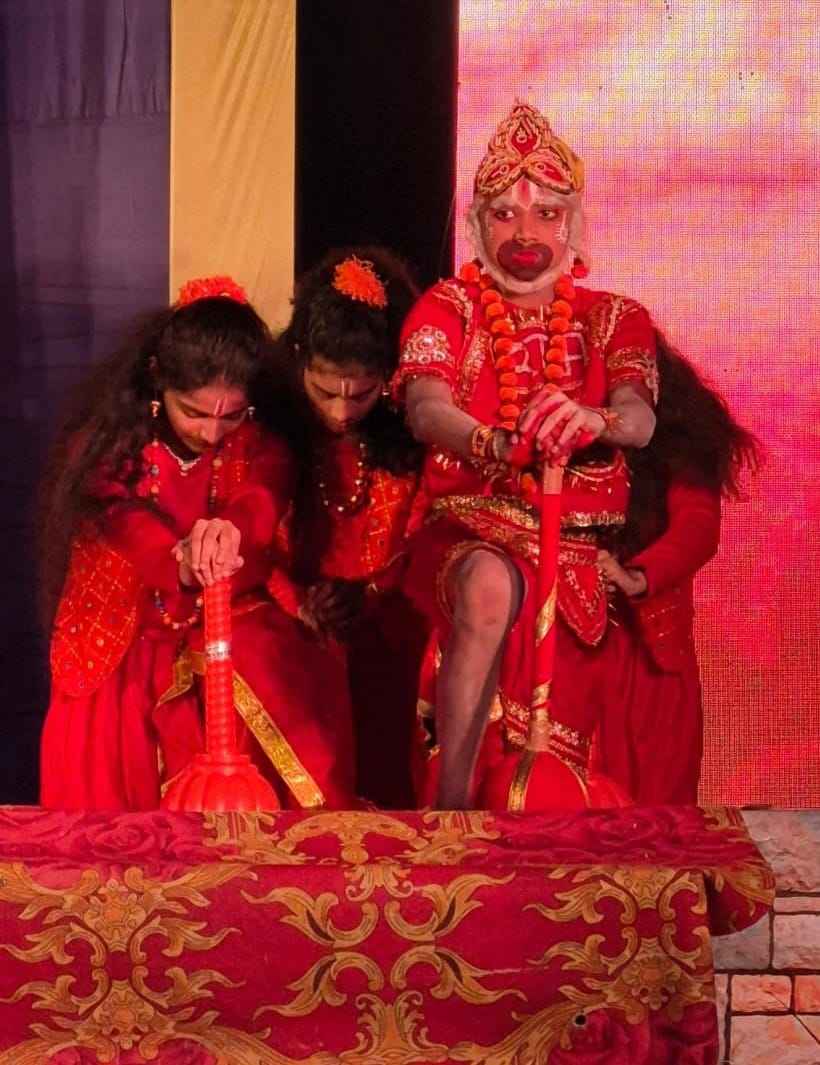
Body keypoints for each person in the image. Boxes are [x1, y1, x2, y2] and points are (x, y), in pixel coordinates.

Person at [394, 103, 659, 810]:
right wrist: (494, 443)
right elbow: (425, 406)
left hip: (577, 550)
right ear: (477, 224)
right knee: (488, 586)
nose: (525, 234)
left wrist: (594, 419)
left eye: (546, 214)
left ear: (574, 223)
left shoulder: (614, 317)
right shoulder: (450, 305)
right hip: (471, 526)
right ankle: (449, 814)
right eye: (505, 214)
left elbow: (640, 418)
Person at [39, 276, 354, 810]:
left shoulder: (259, 444)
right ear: (157, 380)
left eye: (230, 414)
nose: (211, 432)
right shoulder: (106, 450)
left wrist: (230, 530)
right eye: (194, 411)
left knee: (278, 663)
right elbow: (128, 528)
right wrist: (182, 560)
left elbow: (261, 499)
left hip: (224, 623)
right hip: (128, 634)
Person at [265, 247, 427, 807]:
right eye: (324, 390)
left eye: (361, 394)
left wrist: (373, 593)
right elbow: (252, 530)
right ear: (299, 362)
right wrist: (298, 604)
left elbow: (423, 531)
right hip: (293, 625)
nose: (340, 411)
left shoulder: (412, 430)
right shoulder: (271, 426)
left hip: (390, 625)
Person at [594, 332, 760, 803]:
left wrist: (638, 576)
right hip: (560, 645)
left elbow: (697, 528)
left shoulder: (679, 440)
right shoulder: (548, 429)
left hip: (647, 648)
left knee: (655, 805)